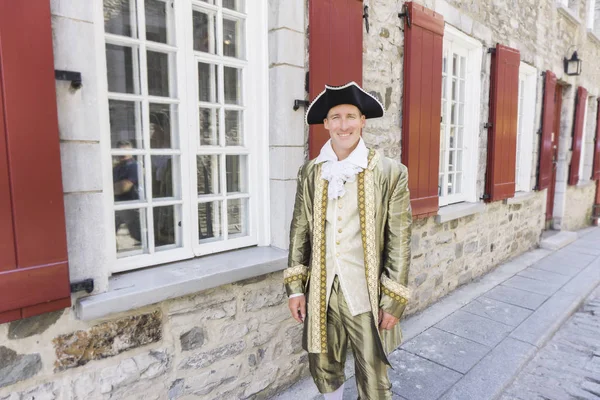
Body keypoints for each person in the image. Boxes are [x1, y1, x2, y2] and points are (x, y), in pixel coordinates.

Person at [284, 82, 412, 400]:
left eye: (351, 116)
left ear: (362, 121)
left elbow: (399, 239)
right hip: (322, 289)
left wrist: (393, 299)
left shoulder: (390, 172)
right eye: (336, 117)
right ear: (326, 123)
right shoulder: (311, 173)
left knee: (373, 372)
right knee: (324, 364)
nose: (344, 125)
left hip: (365, 291)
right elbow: (299, 231)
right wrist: (296, 288)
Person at [113, 140, 142, 243]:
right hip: (117, 206)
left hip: (130, 206)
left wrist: (110, 188)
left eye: (125, 150)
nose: (123, 153)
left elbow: (123, 187)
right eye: (119, 151)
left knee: (137, 235)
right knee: (110, 233)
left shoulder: (134, 166)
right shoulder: (116, 168)